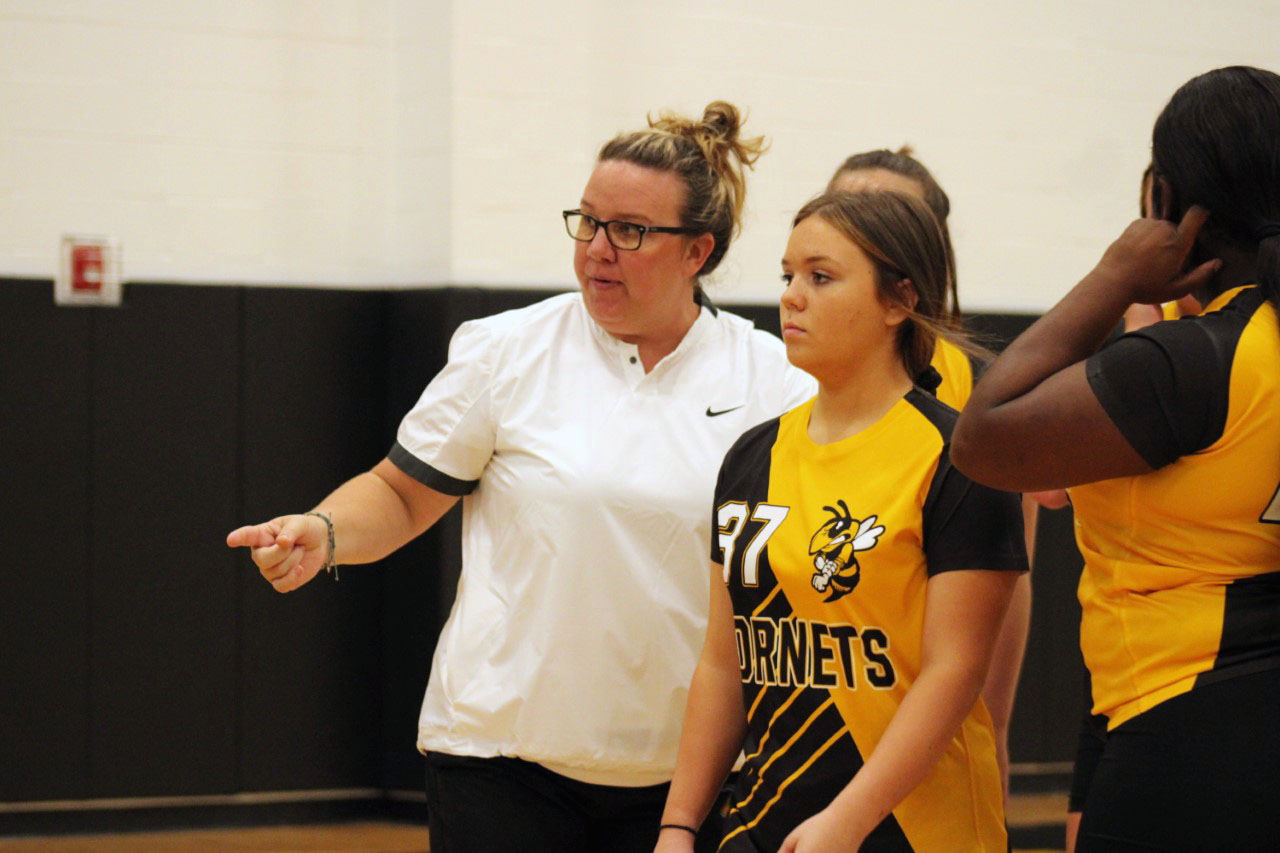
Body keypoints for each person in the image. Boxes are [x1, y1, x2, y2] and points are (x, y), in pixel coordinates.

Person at [227, 101, 815, 852]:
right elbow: (402, 493)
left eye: (629, 231)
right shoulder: (506, 350)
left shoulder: (774, 380)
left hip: (689, 778)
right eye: (587, 221)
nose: (597, 249)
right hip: (500, 759)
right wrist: (325, 530)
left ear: (696, 251)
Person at [952, 65, 1280, 849]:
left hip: (1188, 727)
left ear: (1172, 201)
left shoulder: (1193, 359)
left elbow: (982, 440)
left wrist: (1115, 275)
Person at [657, 190, 1027, 852]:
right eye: (787, 275)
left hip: (913, 832)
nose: (792, 297)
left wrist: (846, 822)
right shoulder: (751, 457)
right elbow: (722, 663)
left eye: (821, 277)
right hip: (766, 821)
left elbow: (954, 672)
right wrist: (679, 825)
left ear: (898, 301)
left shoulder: (957, 457)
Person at [828, 148, 1062, 794]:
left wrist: (995, 720)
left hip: (929, 675)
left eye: (883, 214)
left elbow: (1011, 575)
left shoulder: (979, 387)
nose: (859, 229)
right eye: (843, 210)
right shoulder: (789, 375)